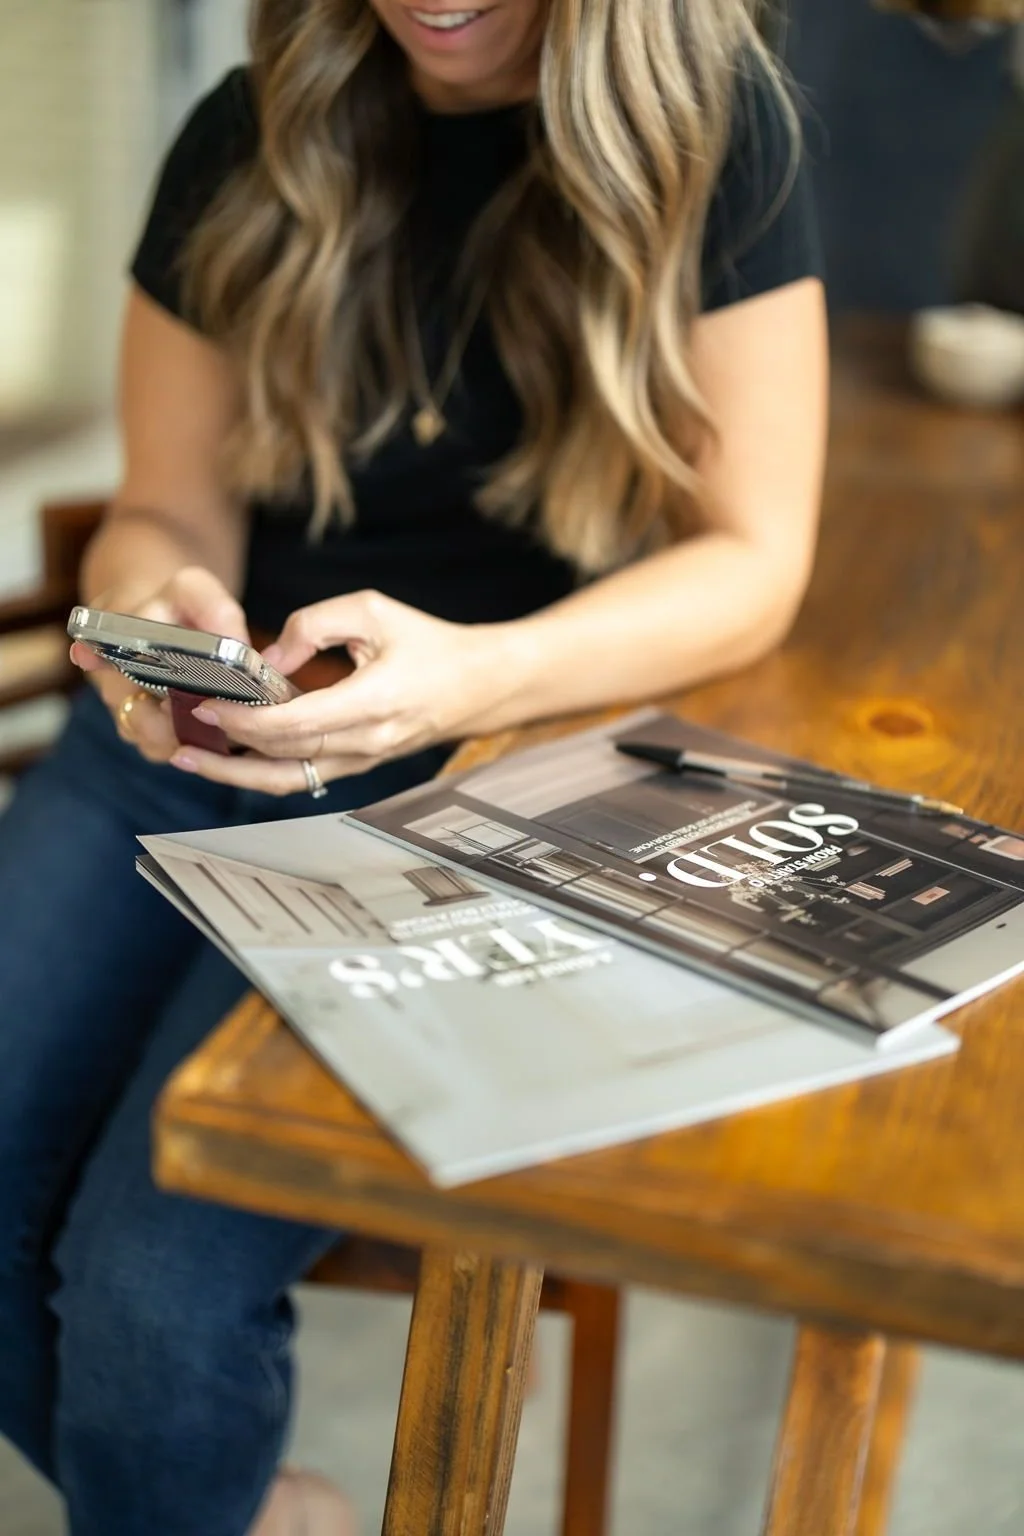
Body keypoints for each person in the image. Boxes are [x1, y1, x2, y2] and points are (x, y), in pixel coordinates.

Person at [0, 2, 827, 1532]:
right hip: (204, 745)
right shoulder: (245, 136)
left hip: (495, 777)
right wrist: (146, 622)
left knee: (148, 1293)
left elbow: (757, 561)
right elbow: (166, 504)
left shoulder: (719, 132)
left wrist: (480, 668)